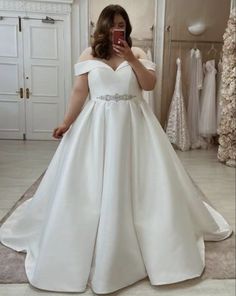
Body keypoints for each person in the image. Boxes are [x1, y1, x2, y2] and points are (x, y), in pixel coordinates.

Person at [0, 4, 232, 295]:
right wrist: (65, 122)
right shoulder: (89, 55)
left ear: (127, 27)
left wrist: (132, 59)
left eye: (121, 23)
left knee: (144, 186)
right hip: (95, 126)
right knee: (86, 186)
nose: (116, 29)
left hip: (135, 127)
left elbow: (148, 85)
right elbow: (79, 93)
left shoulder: (141, 55)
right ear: (102, 27)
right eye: (111, 24)